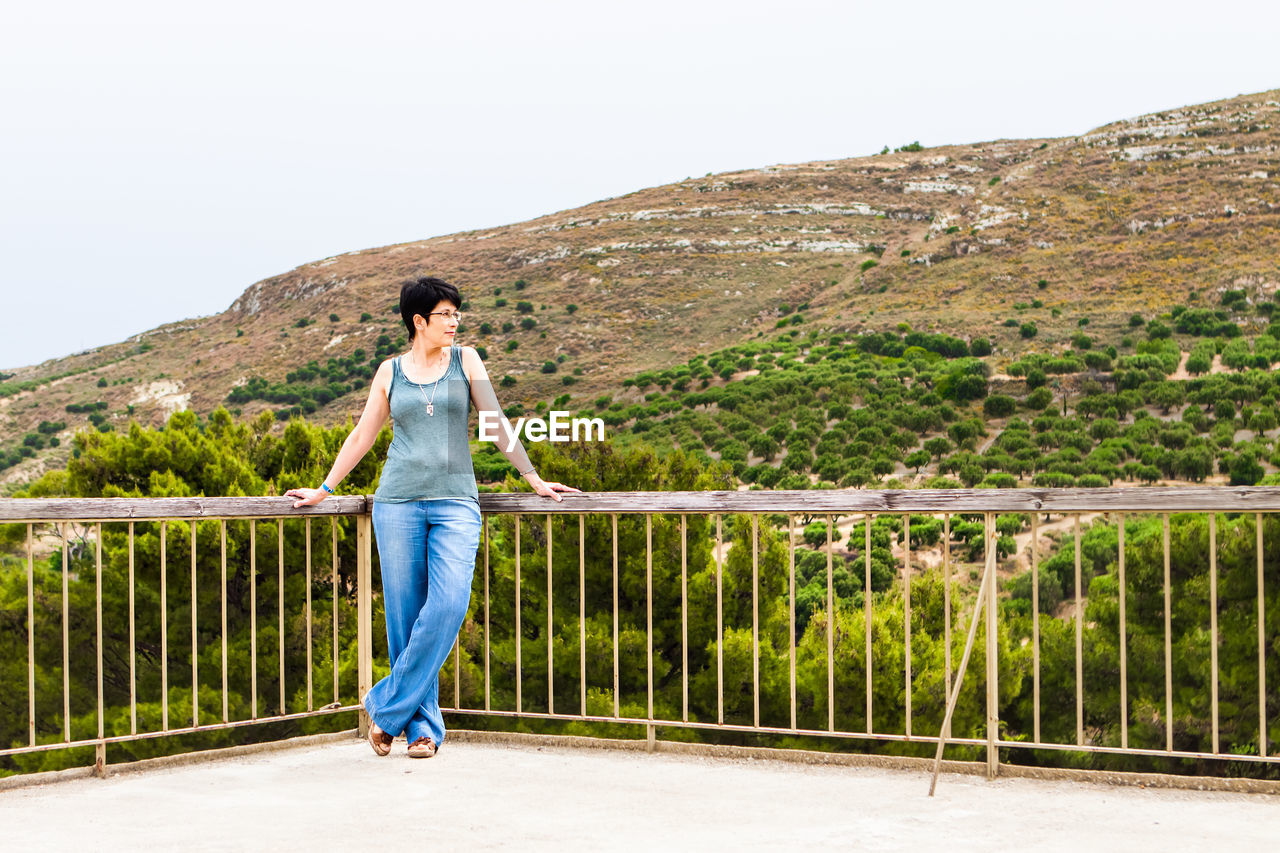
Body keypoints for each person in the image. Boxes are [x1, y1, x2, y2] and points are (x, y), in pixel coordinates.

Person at [286, 275, 578, 759]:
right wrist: (324, 489)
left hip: (456, 502)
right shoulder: (389, 372)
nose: (454, 322)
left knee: (446, 605)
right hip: (396, 502)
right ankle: (422, 730)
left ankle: (383, 708)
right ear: (418, 321)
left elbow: (495, 422)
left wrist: (533, 478)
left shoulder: (467, 360)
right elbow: (362, 436)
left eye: (456, 314)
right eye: (446, 315)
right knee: (404, 619)